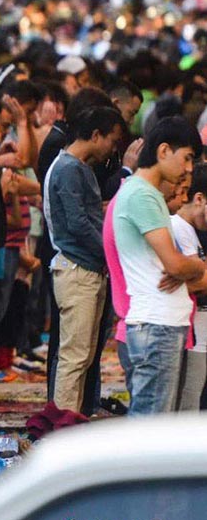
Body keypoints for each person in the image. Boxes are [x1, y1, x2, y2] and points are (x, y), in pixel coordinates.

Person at [112, 117, 206, 415]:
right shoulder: (141, 195)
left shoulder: (148, 195)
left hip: (163, 323)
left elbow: (179, 267)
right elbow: (176, 266)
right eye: (187, 158)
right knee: (150, 424)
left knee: (156, 422)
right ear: (164, 151)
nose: (190, 169)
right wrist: (195, 265)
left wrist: (189, 266)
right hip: (156, 325)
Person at [44, 106, 126, 412]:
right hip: (77, 269)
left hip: (88, 269)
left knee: (83, 354)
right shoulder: (67, 168)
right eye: (112, 140)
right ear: (95, 135)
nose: (113, 149)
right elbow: (78, 224)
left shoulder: (79, 167)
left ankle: (71, 418)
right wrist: (110, 252)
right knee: (74, 356)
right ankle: (63, 423)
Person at [170, 164, 207, 411]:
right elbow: (193, 282)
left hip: (198, 332)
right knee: (188, 403)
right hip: (191, 333)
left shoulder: (192, 230)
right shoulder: (178, 228)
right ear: (199, 198)